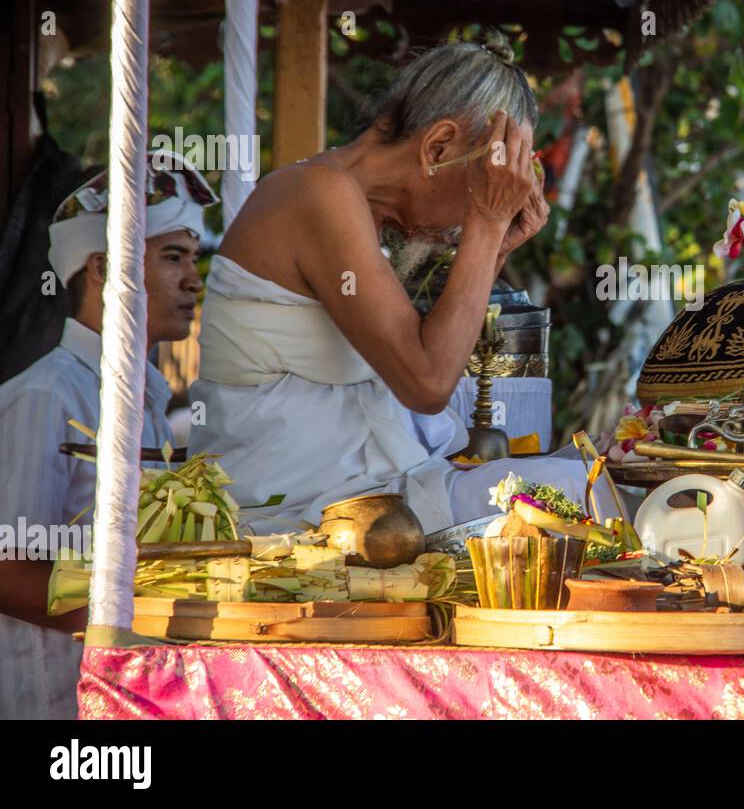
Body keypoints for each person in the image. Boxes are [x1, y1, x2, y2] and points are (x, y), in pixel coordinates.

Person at [190, 37, 610, 535]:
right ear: (437, 147)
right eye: (491, 179)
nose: (464, 222)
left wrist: (496, 246)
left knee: (595, 479)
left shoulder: (346, 203)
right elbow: (427, 382)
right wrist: (487, 222)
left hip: (366, 501)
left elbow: (424, 351)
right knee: (583, 492)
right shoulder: (319, 192)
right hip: (293, 515)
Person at [0, 151, 212, 719]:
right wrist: (145, 617)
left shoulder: (147, 395)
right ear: (101, 267)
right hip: (53, 694)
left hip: (129, 683)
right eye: (173, 257)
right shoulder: (46, 394)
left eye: (193, 258)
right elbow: (7, 571)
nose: (194, 278)